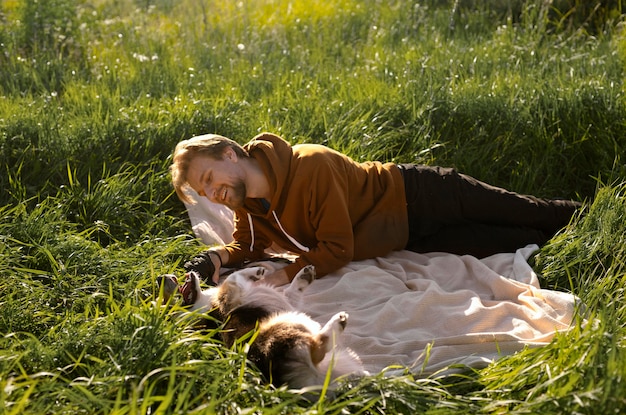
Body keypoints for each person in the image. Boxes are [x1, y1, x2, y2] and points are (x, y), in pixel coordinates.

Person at [170, 132, 581, 287]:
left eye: (208, 179)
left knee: (530, 212)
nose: (212, 195)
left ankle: (601, 212)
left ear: (229, 153)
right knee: (514, 241)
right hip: (409, 236)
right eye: (202, 192)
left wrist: (286, 276)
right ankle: (583, 247)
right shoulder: (253, 206)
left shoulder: (311, 165)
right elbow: (247, 245)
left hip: (421, 193)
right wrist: (214, 258)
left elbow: (337, 248)